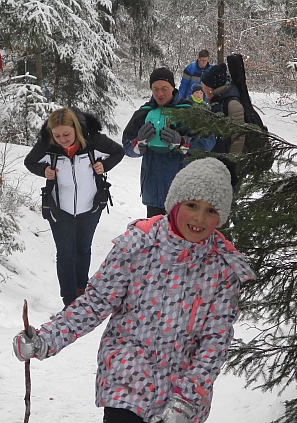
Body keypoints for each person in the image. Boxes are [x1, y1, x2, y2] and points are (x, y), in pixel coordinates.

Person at [12, 157, 255, 423]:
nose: (200, 218)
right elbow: (95, 301)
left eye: (212, 210)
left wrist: (184, 403)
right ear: (175, 202)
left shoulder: (223, 267)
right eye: (193, 205)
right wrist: (45, 339)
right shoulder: (137, 244)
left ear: (222, 216)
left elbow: (215, 341)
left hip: (185, 380)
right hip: (129, 364)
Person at [24, 108, 124, 308]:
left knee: (83, 249)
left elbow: (118, 152)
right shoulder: (47, 145)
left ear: (76, 129)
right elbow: (29, 162)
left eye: (66, 134)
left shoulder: (93, 140)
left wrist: (104, 166)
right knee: (65, 253)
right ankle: (69, 299)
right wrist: (44, 170)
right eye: (57, 135)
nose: (62, 139)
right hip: (59, 209)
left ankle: (81, 288)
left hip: (91, 205)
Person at [122, 67, 215, 217]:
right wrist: (138, 143)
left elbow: (208, 142)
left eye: (164, 88)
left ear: (173, 87)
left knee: (181, 239)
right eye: (155, 89)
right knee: (157, 238)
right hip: (154, 193)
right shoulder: (144, 112)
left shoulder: (188, 111)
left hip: (184, 193)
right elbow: (127, 146)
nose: (160, 93)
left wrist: (182, 142)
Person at [201, 63, 246, 154]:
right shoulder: (217, 99)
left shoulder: (232, 104)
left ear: (210, 88)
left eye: (203, 87)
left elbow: (239, 136)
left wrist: (232, 161)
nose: (202, 89)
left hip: (228, 159)